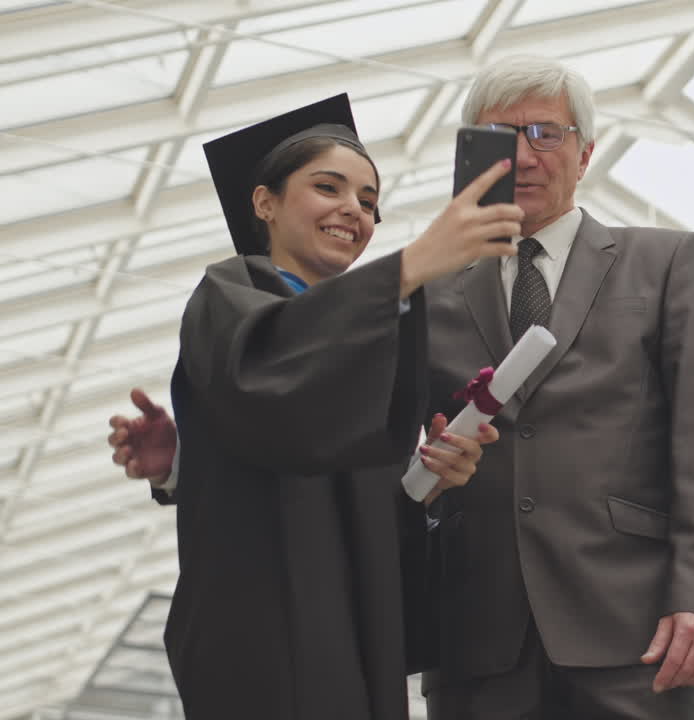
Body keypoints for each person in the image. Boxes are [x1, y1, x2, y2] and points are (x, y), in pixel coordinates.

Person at [109, 93, 521, 720]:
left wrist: (426, 484)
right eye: (328, 187)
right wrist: (409, 267)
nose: (352, 210)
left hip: (357, 639)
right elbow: (274, 390)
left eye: (368, 202)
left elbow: (356, 500)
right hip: (262, 637)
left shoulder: (378, 334)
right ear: (264, 202)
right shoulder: (231, 291)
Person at [416, 56, 694, 719]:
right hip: (477, 641)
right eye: (500, 137)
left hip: (638, 629)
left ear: (585, 153)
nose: (525, 155)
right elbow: (360, 438)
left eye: (546, 133)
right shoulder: (431, 292)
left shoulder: (663, 263)